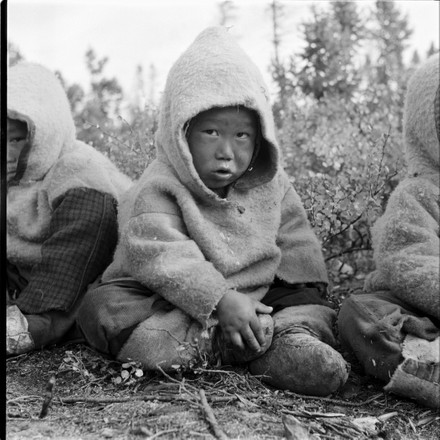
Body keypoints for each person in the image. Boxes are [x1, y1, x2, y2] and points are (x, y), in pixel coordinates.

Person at [77, 27, 349, 396]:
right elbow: (161, 256)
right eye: (210, 132)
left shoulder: (273, 185)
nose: (226, 151)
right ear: (181, 131)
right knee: (102, 309)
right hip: (174, 303)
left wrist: (300, 292)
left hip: (262, 299)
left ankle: (285, 340)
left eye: (242, 136)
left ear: (261, 136)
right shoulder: (158, 185)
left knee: (308, 304)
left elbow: (298, 250)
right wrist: (219, 300)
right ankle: (224, 344)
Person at [6, 62, 132, 356]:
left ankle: (35, 322)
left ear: (45, 131)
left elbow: (81, 251)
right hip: (29, 275)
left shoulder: (80, 171)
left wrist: (32, 312)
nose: (7, 151)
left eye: (16, 139)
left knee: (87, 215)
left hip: (83, 279)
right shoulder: (11, 177)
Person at [338, 54, 439, 408]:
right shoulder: (418, 193)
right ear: (428, 128)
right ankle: (424, 368)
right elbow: (406, 260)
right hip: (416, 309)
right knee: (358, 313)